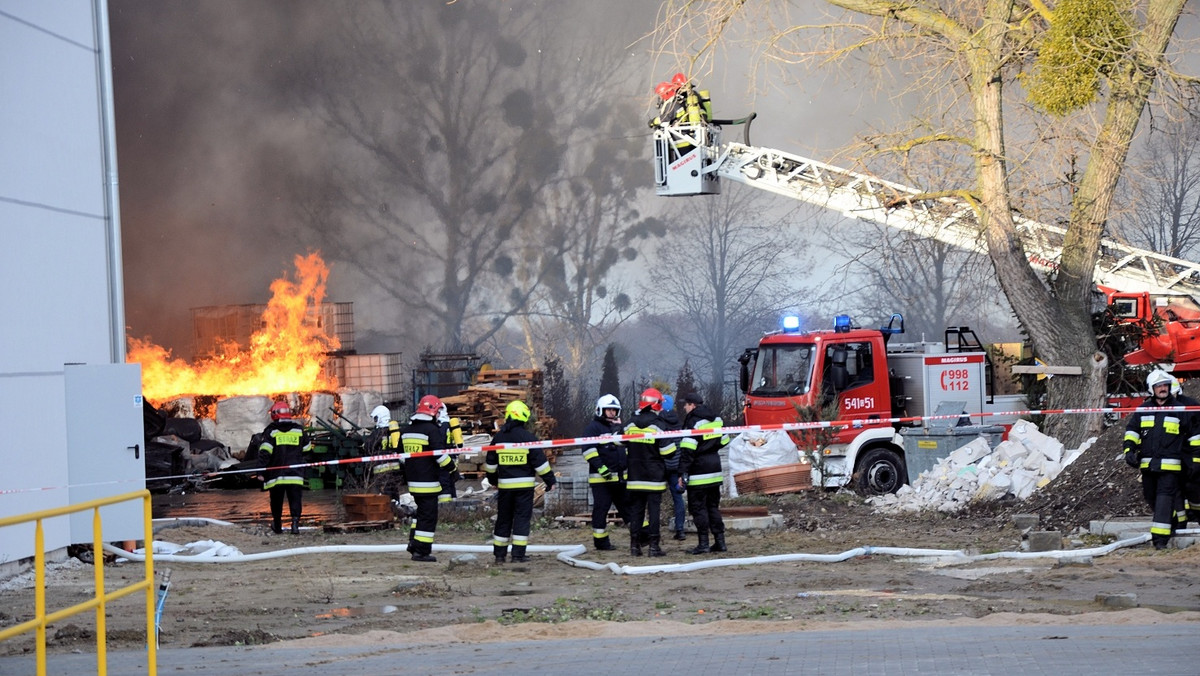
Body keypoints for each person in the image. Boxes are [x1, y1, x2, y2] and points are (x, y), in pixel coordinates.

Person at [1123, 369, 1193, 549]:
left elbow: (1192, 435)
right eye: (1158, 386)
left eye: (1165, 385)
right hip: (1148, 466)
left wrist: (1193, 460)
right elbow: (1132, 431)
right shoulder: (1143, 409)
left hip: (1171, 467)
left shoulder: (1180, 409)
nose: (1162, 389)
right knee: (1151, 496)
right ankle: (1173, 519)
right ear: (1151, 389)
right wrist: (1129, 450)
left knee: (1163, 499)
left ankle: (1160, 541)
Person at [484, 400, 557, 563]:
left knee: (503, 519)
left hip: (505, 489)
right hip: (524, 489)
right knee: (521, 520)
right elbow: (541, 464)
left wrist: (493, 480)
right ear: (524, 417)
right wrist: (550, 480)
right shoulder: (528, 438)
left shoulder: (498, 438)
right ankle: (518, 555)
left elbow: (490, 465)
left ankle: (499, 555)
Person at [398, 395, 454, 562]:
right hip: (428, 482)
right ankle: (421, 551)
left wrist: (415, 466)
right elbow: (440, 456)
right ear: (433, 411)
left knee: (420, 514)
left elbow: (401, 456)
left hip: (413, 482)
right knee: (428, 517)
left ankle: (413, 543)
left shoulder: (406, 430)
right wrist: (453, 469)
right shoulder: (432, 430)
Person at [623, 388, 676, 557]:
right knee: (653, 512)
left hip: (634, 476)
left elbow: (618, 441)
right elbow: (669, 451)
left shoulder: (630, 424)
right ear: (657, 404)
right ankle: (654, 547)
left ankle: (634, 547)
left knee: (636, 512)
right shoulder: (658, 425)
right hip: (654, 477)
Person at [679, 392, 731, 554]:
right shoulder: (716, 418)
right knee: (713, 507)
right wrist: (710, 448)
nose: (684, 407)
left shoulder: (693, 421)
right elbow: (725, 440)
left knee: (698, 508)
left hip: (698, 471)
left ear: (693, 405)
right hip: (715, 468)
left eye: (686, 404)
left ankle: (703, 544)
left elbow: (688, 450)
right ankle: (720, 542)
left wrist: (683, 472)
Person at [581, 394, 631, 551]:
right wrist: (602, 468)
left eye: (614, 410)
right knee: (601, 510)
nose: (612, 413)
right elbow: (588, 451)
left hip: (620, 478)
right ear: (600, 410)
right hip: (601, 480)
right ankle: (601, 542)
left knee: (628, 508)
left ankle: (641, 536)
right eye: (609, 410)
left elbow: (626, 449)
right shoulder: (593, 428)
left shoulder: (618, 429)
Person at [257, 400, 312, 535]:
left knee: (276, 501)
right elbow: (308, 451)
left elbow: (265, 453)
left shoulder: (272, 431)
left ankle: (277, 525)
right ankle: (295, 525)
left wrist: (260, 471)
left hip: (276, 475)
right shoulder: (299, 430)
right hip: (295, 474)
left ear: (275, 415)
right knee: (295, 499)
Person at [659, 393, 687, 541]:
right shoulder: (679, 423)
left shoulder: (658, 424)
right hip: (676, 466)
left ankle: (653, 530)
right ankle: (680, 529)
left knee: (654, 499)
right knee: (678, 498)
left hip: (661, 465)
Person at [367, 405, 404, 501]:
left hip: (381, 469)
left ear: (380, 417)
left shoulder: (377, 433)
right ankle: (396, 511)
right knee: (394, 492)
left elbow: (369, 447)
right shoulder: (393, 431)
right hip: (395, 468)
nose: (375, 421)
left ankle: (386, 512)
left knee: (383, 495)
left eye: (376, 418)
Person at [436, 404, 462, 505]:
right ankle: (454, 503)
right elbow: (459, 444)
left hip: (442, 459)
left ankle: (445, 507)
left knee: (444, 482)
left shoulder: (438, 426)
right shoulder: (451, 424)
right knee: (451, 482)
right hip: (452, 457)